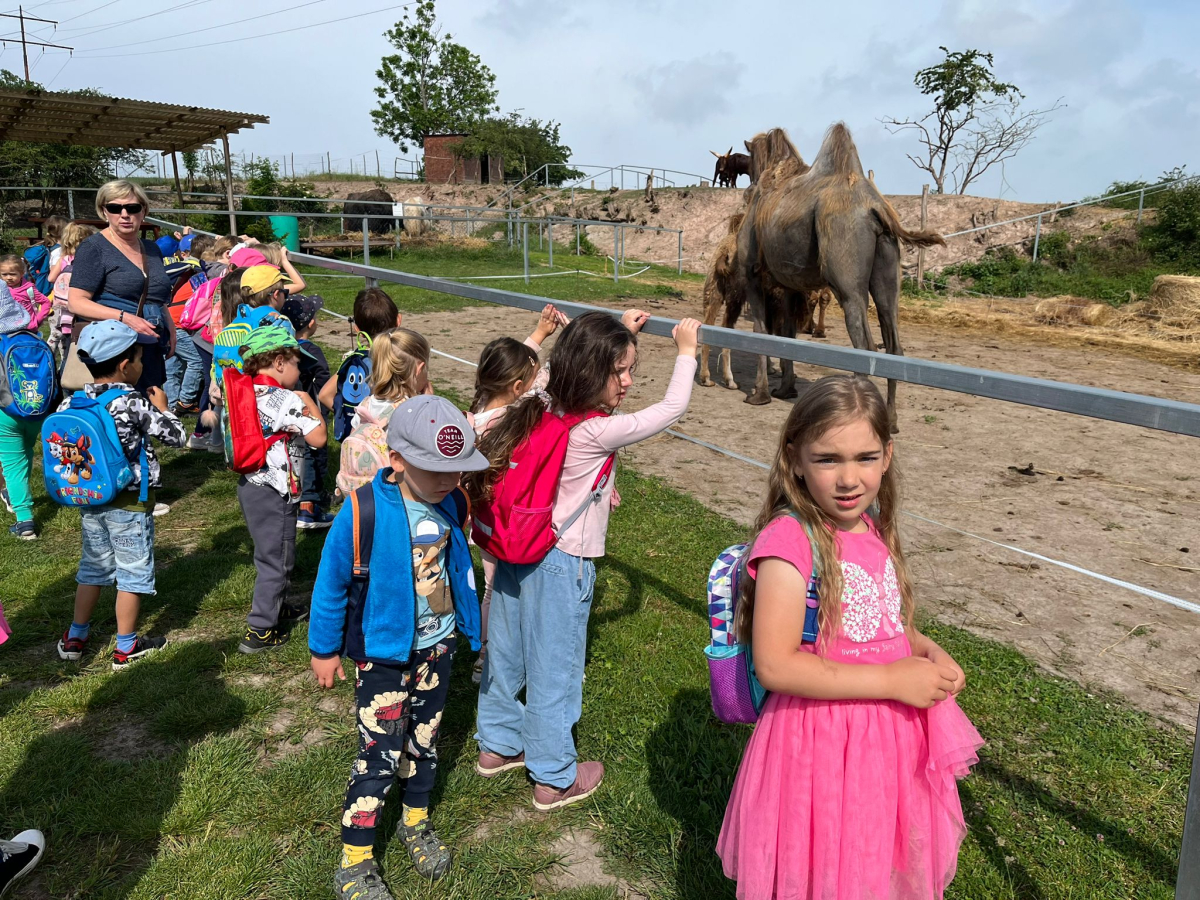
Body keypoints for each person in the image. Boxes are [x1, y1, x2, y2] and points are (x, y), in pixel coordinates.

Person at [717, 374, 982, 900]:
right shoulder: (790, 541)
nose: (848, 479)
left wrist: (925, 649)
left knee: (876, 852)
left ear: (887, 455)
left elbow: (883, 622)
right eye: (827, 459)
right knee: (825, 861)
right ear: (794, 457)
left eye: (864, 458)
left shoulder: (874, 524)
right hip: (820, 741)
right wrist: (889, 679)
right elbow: (776, 665)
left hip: (888, 738)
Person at [470, 310, 701, 810]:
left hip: (515, 548)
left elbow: (558, 366)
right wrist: (685, 351)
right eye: (619, 371)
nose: (628, 382)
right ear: (590, 372)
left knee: (505, 652)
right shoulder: (596, 431)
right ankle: (554, 776)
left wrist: (610, 330)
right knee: (556, 666)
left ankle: (496, 744)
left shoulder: (537, 402)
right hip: (562, 558)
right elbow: (670, 409)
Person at [310, 394, 488, 892]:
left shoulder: (452, 501)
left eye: (457, 471)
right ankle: (355, 856)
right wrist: (324, 650)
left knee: (425, 742)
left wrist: (468, 626)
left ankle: (414, 822)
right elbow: (331, 584)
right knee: (379, 753)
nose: (449, 481)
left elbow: (457, 572)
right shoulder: (363, 510)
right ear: (398, 461)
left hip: (438, 649)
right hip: (384, 659)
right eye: (436, 470)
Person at [54, 321, 188, 670]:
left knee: (93, 568)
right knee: (132, 572)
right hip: (129, 501)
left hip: (89, 498)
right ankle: (126, 647)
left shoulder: (71, 402)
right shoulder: (132, 402)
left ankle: (75, 637)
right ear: (125, 364)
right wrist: (162, 406)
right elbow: (176, 437)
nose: (142, 363)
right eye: (140, 357)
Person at [466, 303, 566, 683]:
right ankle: (495, 654)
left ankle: (484, 653)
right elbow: (543, 382)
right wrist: (565, 341)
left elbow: (520, 376)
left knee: (492, 587)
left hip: (484, 521)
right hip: (513, 521)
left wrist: (538, 336)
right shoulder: (518, 415)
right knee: (505, 590)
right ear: (518, 388)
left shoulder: (476, 412)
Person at [235, 327, 327, 654]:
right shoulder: (286, 399)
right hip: (276, 492)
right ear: (278, 362)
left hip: (251, 486)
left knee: (270, 551)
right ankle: (261, 629)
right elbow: (319, 439)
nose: (300, 371)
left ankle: (277, 604)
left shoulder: (245, 391)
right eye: (296, 364)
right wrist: (309, 404)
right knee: (279, 559)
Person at [67, 180, 177, 392]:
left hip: (149, 348)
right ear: (104, 211)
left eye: (133, 208)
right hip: (112, 354)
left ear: (143, 210)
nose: (124, 214)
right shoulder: (94, 248)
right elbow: (76, 302)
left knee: (150, 415)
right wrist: (125, 318)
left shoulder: (152, 249)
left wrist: (171, 327)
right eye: (115, 208)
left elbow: (155, 294)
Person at [334, 328, 431, 497]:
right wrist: (429, 404)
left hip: (361, 492)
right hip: (395, 493)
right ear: (419, 369)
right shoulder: (413, 410)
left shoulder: (366, 403)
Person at [280, 293, 334, 529]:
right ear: (311, 323)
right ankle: (310, 506)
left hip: (286, 411)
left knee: (294, 454)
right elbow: (323, 381)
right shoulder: (312, 352)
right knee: (314, 455)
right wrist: (325, 410)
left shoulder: (281, 349)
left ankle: (296, 498)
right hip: (309, 409)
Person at [316, 287, 402, 412]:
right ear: (398, 320)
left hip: (360, 430)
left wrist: (354, 419)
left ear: (357, 329)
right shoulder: (404, 359)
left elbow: (324, 395)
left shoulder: (356, 360)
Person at [0, 282, 38, 539]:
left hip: (6, 412)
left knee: (12, 464)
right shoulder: (31, 336)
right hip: (37, 408)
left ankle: (25, 521)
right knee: (25, 454)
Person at [47, 223, 97, 360]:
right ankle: (70, 365)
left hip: (61, 306)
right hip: (80, 306)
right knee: (75, 339)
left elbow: (51, 278)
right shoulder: (88, 261)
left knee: (57, 336)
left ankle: (49, 362)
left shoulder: (64, 259)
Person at [0, 256, 51, 331]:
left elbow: (46, 302)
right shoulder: (1, 289)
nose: (9, 278)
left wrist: (38, 320)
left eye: (13, 274)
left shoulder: (28, 288)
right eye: (5, 274)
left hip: (27, 329)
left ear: (21, 274)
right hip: (5, 329)